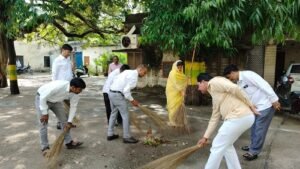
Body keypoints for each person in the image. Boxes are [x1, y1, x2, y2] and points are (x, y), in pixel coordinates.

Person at [196, 73, 258, 169]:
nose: (198, 88)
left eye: (198, 85)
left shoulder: (215, 81)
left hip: (238, 116)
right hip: (242, 118)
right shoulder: (214, 93)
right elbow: (214, 118)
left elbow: (235, 88)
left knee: (217, 145)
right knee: (227, 146)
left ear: (203, 82)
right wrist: (205, 137)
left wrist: (251, 105)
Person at [223, 64, 280, 161]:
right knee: (254, 127)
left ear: (232, 72)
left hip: (266, 105)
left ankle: (254, 151)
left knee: (259, 129)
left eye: (229, 77)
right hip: (256, 108)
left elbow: (264, 85)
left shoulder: (249, 75)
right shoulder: (239, 83)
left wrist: (274, 100)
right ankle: (253, 145)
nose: (230, 79)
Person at [35, 78, 86, 155]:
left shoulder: (75, 94)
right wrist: (45, 113)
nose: (80, 92)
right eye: (79, 89)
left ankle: (69, 142)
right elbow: (43, 97)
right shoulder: (59, 86)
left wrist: (69, 122)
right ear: (73, 87)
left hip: (56, 101)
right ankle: (45, 147)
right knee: (43, 123)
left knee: (64, 121)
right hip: (42, 98)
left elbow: (73, 107)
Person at [107, 64, 147, 144]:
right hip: (118, 95)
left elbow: (117, 80)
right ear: (140, 70)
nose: (144, 74)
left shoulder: (127, 71)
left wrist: (129, 99)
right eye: (144, 72)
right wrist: (133, 101)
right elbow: (126, 91)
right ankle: (126, 136)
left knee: (113, 113)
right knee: (125, 115)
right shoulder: (134, 77)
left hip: (111, 92)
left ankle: (110, 134)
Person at [52, 44, 74, 129]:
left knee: (68, 105)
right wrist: (54, 86)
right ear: (63, 50)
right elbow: (54, 74)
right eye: (68, 52)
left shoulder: (68, 59)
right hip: (60, 86)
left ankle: (68, 121)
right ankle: (59, 122)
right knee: (60, 105)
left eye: (70, 52)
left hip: (69, 86)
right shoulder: (57, 61)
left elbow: (70, 72)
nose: (69, 54)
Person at [165, 60, 188, 128]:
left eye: (181, 67)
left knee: (179, 106)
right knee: (173, 106)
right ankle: (172, 121)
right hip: (172, 92)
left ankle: (178, 121)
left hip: (179, 92)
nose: (180, 68)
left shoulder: (181, 74)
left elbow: (183, 81)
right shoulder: (172, 73)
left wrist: (186, 79)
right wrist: (181, 91)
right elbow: (176, 84)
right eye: (178, 67)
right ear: (175, 66)